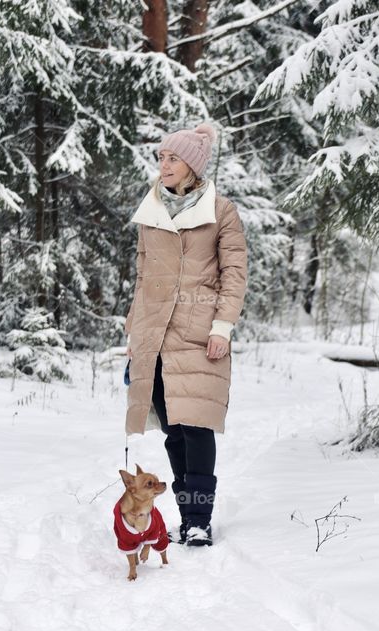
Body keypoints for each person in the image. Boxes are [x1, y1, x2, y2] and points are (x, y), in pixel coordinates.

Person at [123, 123, 248, 547]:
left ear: (192, 166)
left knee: (196, 427)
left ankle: (198, 519)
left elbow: (234, 273)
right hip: (154, 333)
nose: (164, 165)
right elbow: (142, 275)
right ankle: (185, 511)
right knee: (173, 430)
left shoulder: (221, 210)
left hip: (199, 332)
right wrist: (133, 329)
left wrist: (222, 327)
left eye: (172, 158)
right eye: (161, 158)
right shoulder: (151, 208)